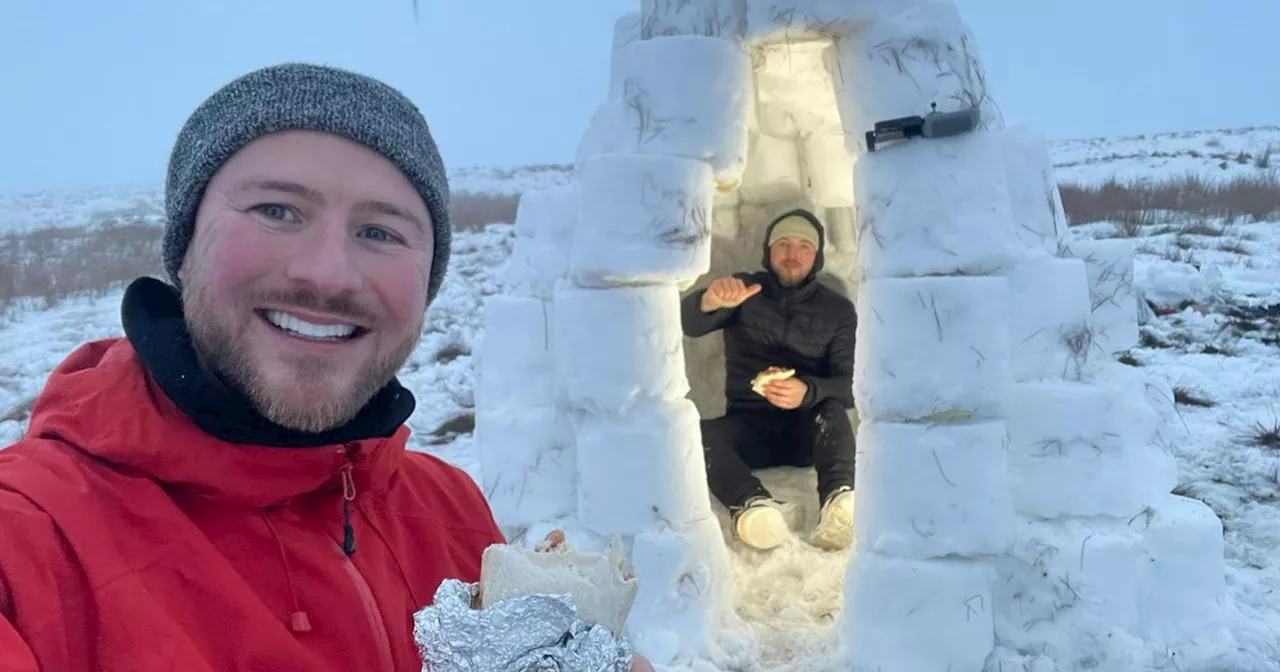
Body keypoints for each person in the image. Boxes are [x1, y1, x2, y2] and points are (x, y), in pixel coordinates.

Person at [0, 63, 651, 672]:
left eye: (380, 231)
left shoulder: (449, 507)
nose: (327, 273)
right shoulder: (29, 543)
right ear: (185, 246)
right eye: (277, 211)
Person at [681, 208, 858, 552]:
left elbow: (850, 385)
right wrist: (708, 301)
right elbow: (691, 324)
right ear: (768, 251)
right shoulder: (744, 292)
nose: (793, 254)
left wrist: (809, 391)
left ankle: (839, 504)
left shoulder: (838, 310)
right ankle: (753, 506)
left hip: (810, 431)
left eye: (804, 246)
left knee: (833, 410)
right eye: (784, 244)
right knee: (695, 434)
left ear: (817, 255)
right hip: (749, 428)